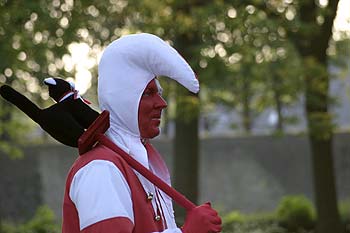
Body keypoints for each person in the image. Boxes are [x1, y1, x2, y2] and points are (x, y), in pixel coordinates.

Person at [62, 33, 222, 233]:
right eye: (148, 94)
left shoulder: (134, 159)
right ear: (123, 99)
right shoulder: (101, 168)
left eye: (159, 93)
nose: (161, 104)